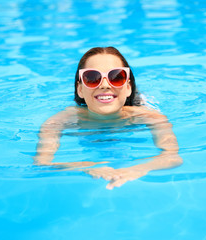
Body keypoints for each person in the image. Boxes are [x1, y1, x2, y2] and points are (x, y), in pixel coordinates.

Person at [34, 46, 182, 189]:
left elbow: (172, 157)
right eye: (92, 78)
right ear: (80, 89)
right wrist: (85, 166)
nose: (105, 85)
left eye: (116, 77)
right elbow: (42, 163)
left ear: (129, 87)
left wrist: (137, 169)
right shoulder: (57, 122)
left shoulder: (150, 117)